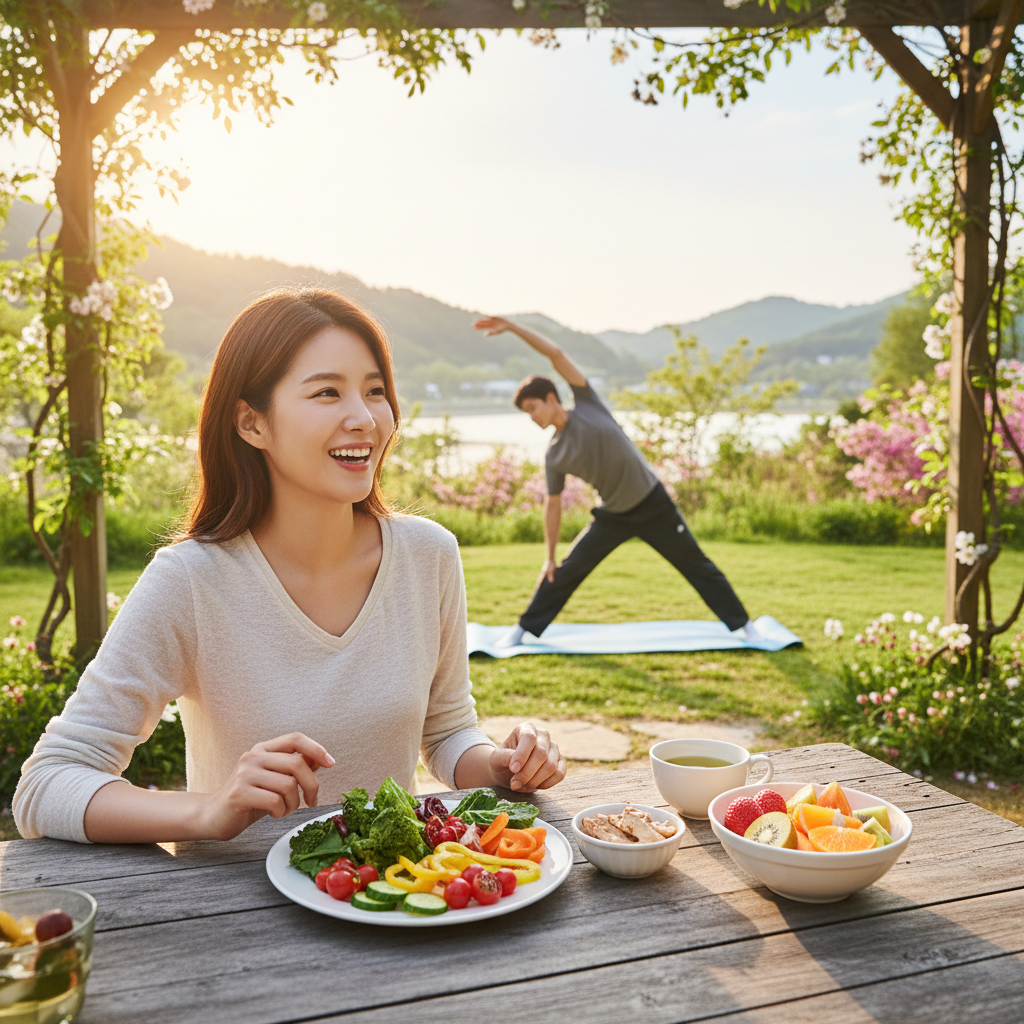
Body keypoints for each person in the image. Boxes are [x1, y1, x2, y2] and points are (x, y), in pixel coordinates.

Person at [14, 289, 565, 845]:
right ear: (251, 423)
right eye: (328, 392)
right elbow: (46, 784)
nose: (365, 418)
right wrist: (208, 811)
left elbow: (446, 732)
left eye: (375, 391)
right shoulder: (191, 580)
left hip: (388, 903)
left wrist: (502, 765)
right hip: (234, 914)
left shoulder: (429, 556)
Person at [473, 315, 764, 650]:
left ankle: (745, 626)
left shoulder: (588, 404)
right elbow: (552, 505)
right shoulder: (555, 454)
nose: (533, 416)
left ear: (552, 398)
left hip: (653, 503)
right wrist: (549, 556)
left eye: (533, 407)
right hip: (613, 515)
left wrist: (512, 327)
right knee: (565, 570)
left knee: (697, 565)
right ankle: (523, 629)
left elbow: (554, 353)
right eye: (526, 412)